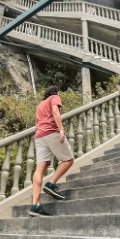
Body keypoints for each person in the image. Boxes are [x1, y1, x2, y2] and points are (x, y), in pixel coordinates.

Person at [29, 86, 75, 217]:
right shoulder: (54, 97)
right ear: (56, 92)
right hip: (51, 132)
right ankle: (51, 183)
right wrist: (60, 129)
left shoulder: (40, 105)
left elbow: (37, 121)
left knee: (40, 169)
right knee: (68, 160)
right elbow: (55, 111)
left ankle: (35, 205)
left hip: (39, 135)